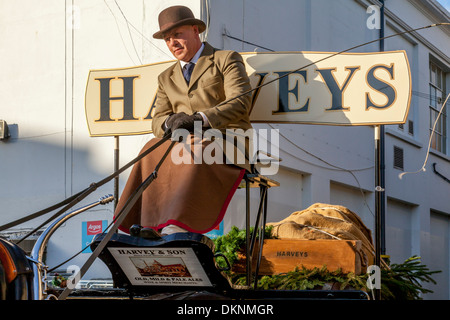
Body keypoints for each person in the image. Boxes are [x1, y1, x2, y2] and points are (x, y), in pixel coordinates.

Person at [115, 5, 253, 236]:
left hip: (227, 141)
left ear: (195, 30)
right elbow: (157, 119)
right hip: (185, 143)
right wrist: (171, 122)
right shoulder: (166, 77)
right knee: (149, 149)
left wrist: (199, 119)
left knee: (193, 147)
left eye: (177, 35)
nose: (173, 43)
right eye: (167, 39)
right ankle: (140, 225)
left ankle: (176, 225)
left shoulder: (225, 59)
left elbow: (240, 103)